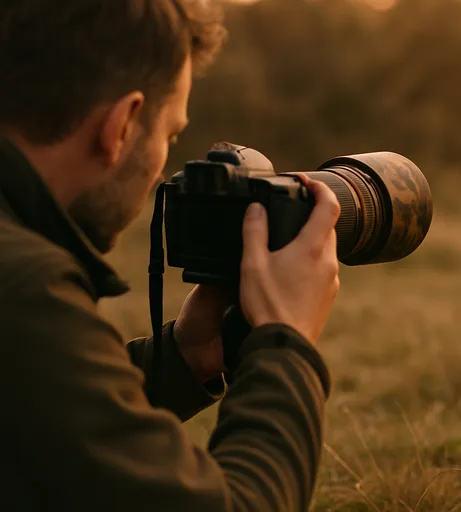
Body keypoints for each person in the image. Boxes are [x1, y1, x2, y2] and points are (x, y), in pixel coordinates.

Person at [0, 1, 342, 510]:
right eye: (170, 134)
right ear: (122, 125)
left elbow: (37, 411)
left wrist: (182, 357)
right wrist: (285, 340)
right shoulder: (25, 288)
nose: (164, 160)